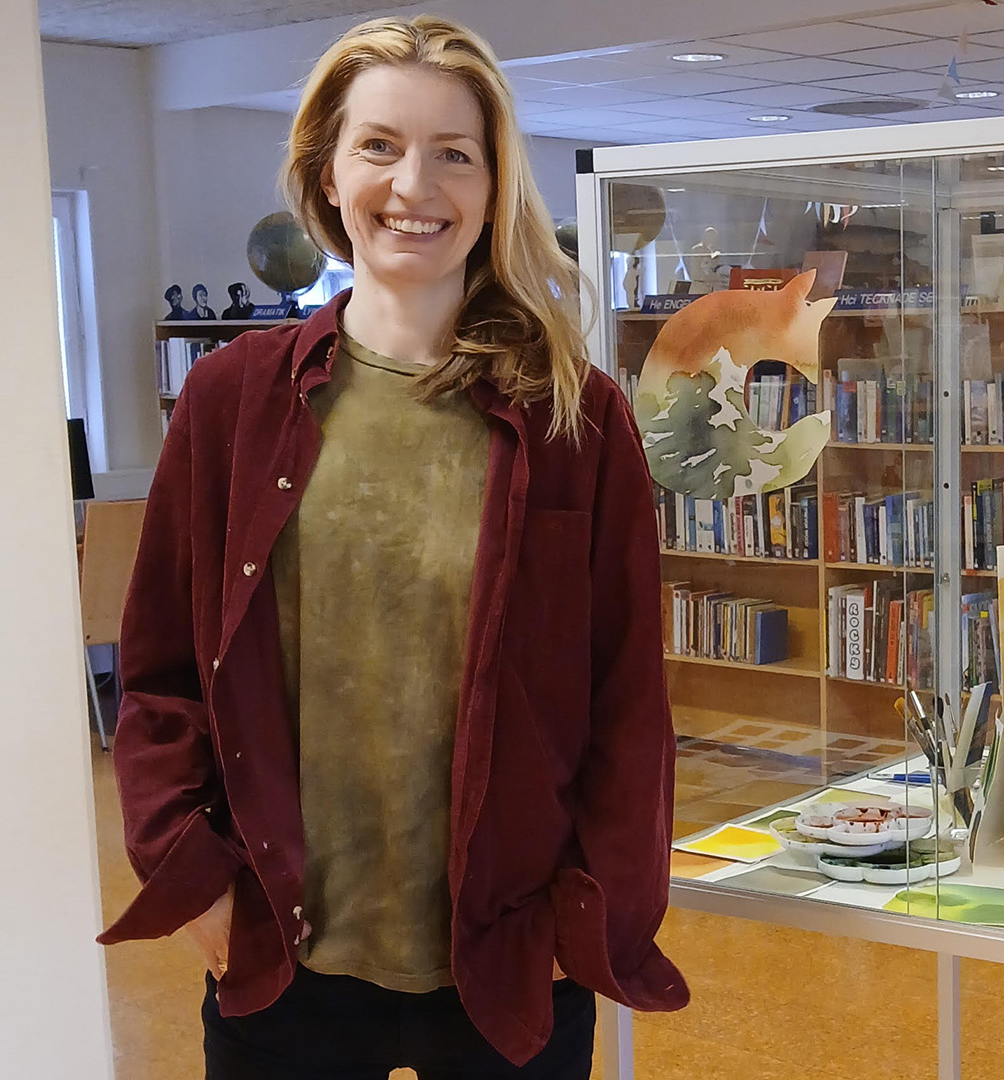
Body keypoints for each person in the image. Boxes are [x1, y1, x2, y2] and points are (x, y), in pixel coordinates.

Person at [99, 15, 687, 1079]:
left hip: (506, 962)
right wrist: (190, 879)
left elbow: (625, 700)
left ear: (494, 184)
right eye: (379, 145)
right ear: (327, 172)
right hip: (280, 952)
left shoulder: (576, 417)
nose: (413, 185)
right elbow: (161, 678)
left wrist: (585, 913)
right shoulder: (231, 401)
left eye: (453, 153)